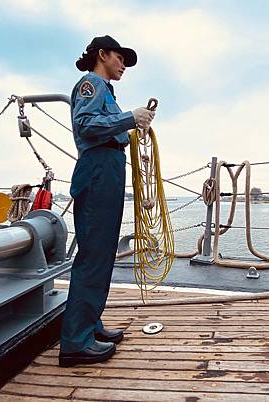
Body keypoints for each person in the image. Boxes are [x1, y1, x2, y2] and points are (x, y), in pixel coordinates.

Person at [59, 35, 155, 367]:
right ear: (102, 54)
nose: (123, 64)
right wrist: (130, 118)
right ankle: (75, 342)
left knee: (102, 254)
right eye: (120, 57)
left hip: (110, 169)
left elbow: (105, 126)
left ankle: (90, 325)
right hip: (98, 169)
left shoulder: (107, 92)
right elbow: (85, 124)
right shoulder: (91, 83)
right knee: (94, 255)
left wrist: (131, 126)